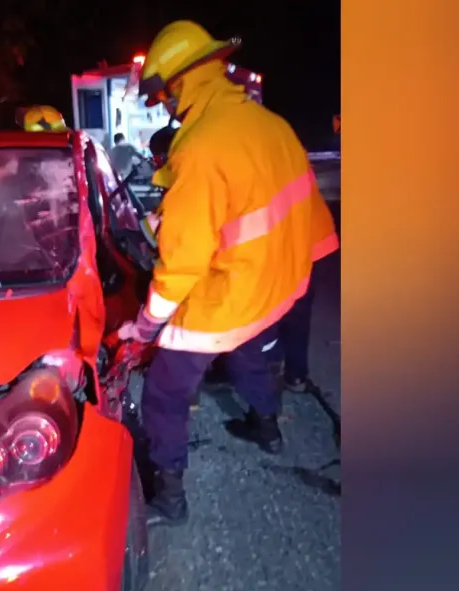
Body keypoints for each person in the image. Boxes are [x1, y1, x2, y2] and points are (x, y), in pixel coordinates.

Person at [118, 20, 322, 526]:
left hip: (229, 291)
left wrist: (146, 326)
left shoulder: (199, 146)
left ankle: (168, 497)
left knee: (165, 390)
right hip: (275, 282)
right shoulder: (270, 124)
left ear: (180, 83)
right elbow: (286, 206)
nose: (162, 105)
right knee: (254, 354)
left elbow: (183, 263)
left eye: (163, 94)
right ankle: (267, 427)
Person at [273, 185, 339, 392]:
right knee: (298, 310)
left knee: (275, 309)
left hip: (290, 241)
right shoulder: (286, 152)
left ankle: (271, 373)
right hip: (312, 235)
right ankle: (296, 376)